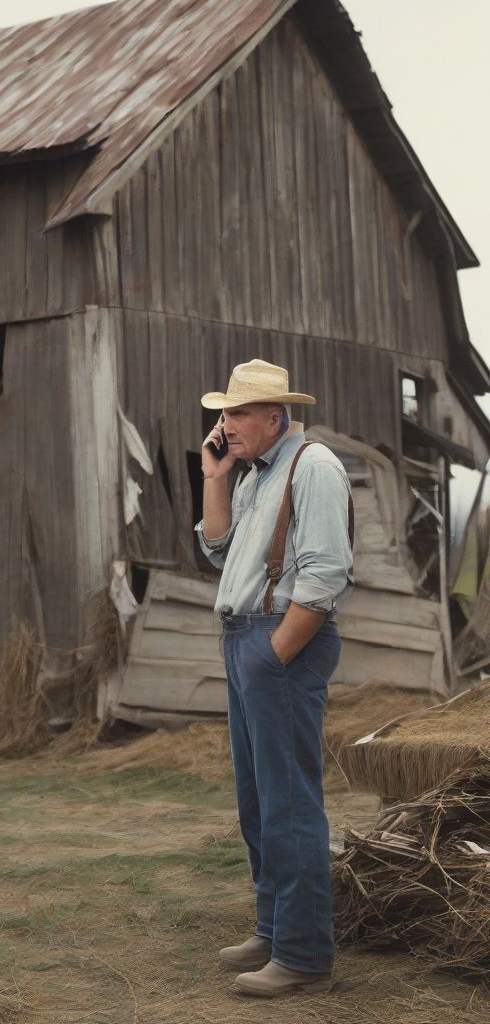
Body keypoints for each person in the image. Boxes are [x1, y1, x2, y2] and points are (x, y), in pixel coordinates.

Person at [195, 359, 353, 998]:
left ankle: (304, 953)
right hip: (244, 639)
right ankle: (273, 927)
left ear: (274, 416)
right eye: (223, 414)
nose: (225, 425)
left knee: (289, 803)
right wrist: (215, 476)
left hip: (280, 641)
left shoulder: (312, 466)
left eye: (236, 414)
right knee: (257, 800)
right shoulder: (254, 472)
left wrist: (275, 653)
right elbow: (219, 550)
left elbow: (325, 573)